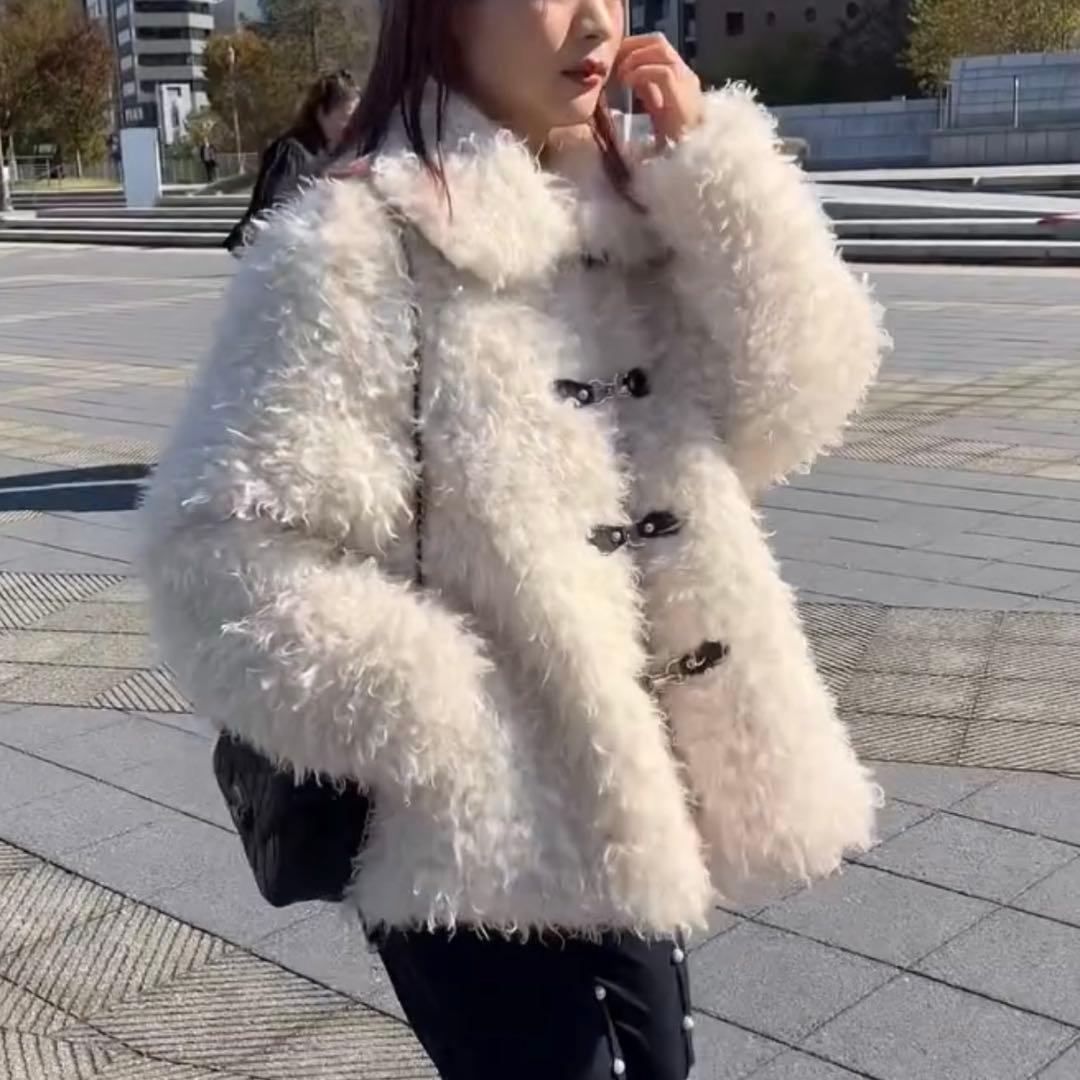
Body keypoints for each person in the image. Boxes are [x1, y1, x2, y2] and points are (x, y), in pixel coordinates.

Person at [140, 0, 888, 1075]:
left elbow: (796, 401)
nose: (594, 20)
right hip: (475, 836)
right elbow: (215, 553)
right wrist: (451, 716)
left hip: (636, 800)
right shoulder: (356, 241)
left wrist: (719, 180)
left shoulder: (633, 216)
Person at [223, 70, 358, 255]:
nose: (351, 126)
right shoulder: (291, 152)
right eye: (346, 117)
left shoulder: (330, 155)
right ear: (321, 112)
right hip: (276, 256)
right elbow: (273, 212)